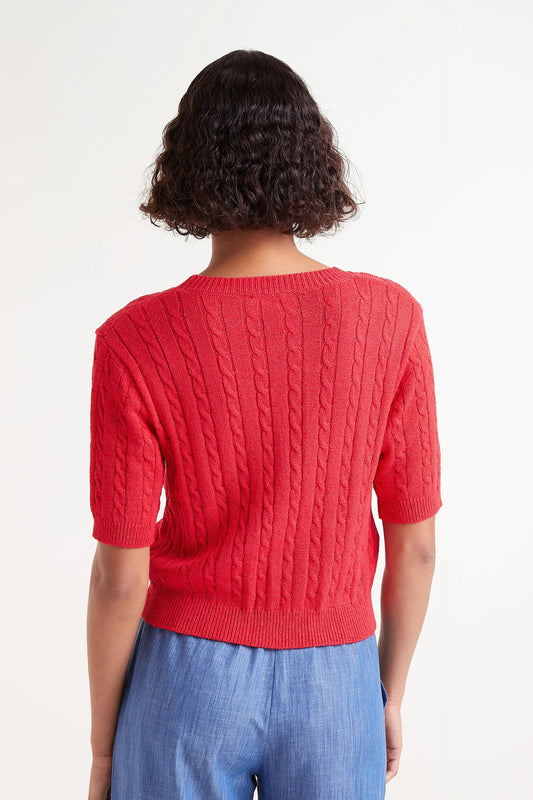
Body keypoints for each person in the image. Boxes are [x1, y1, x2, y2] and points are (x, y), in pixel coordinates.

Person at [86, 49, 442, 800]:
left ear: (186, 167)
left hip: (184, 679)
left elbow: (121, 575)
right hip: (336, 677)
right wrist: (386, 695)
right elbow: (413, 545)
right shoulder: (389, 319)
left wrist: (103, 748)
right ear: (310, 164)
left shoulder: (134, 339)